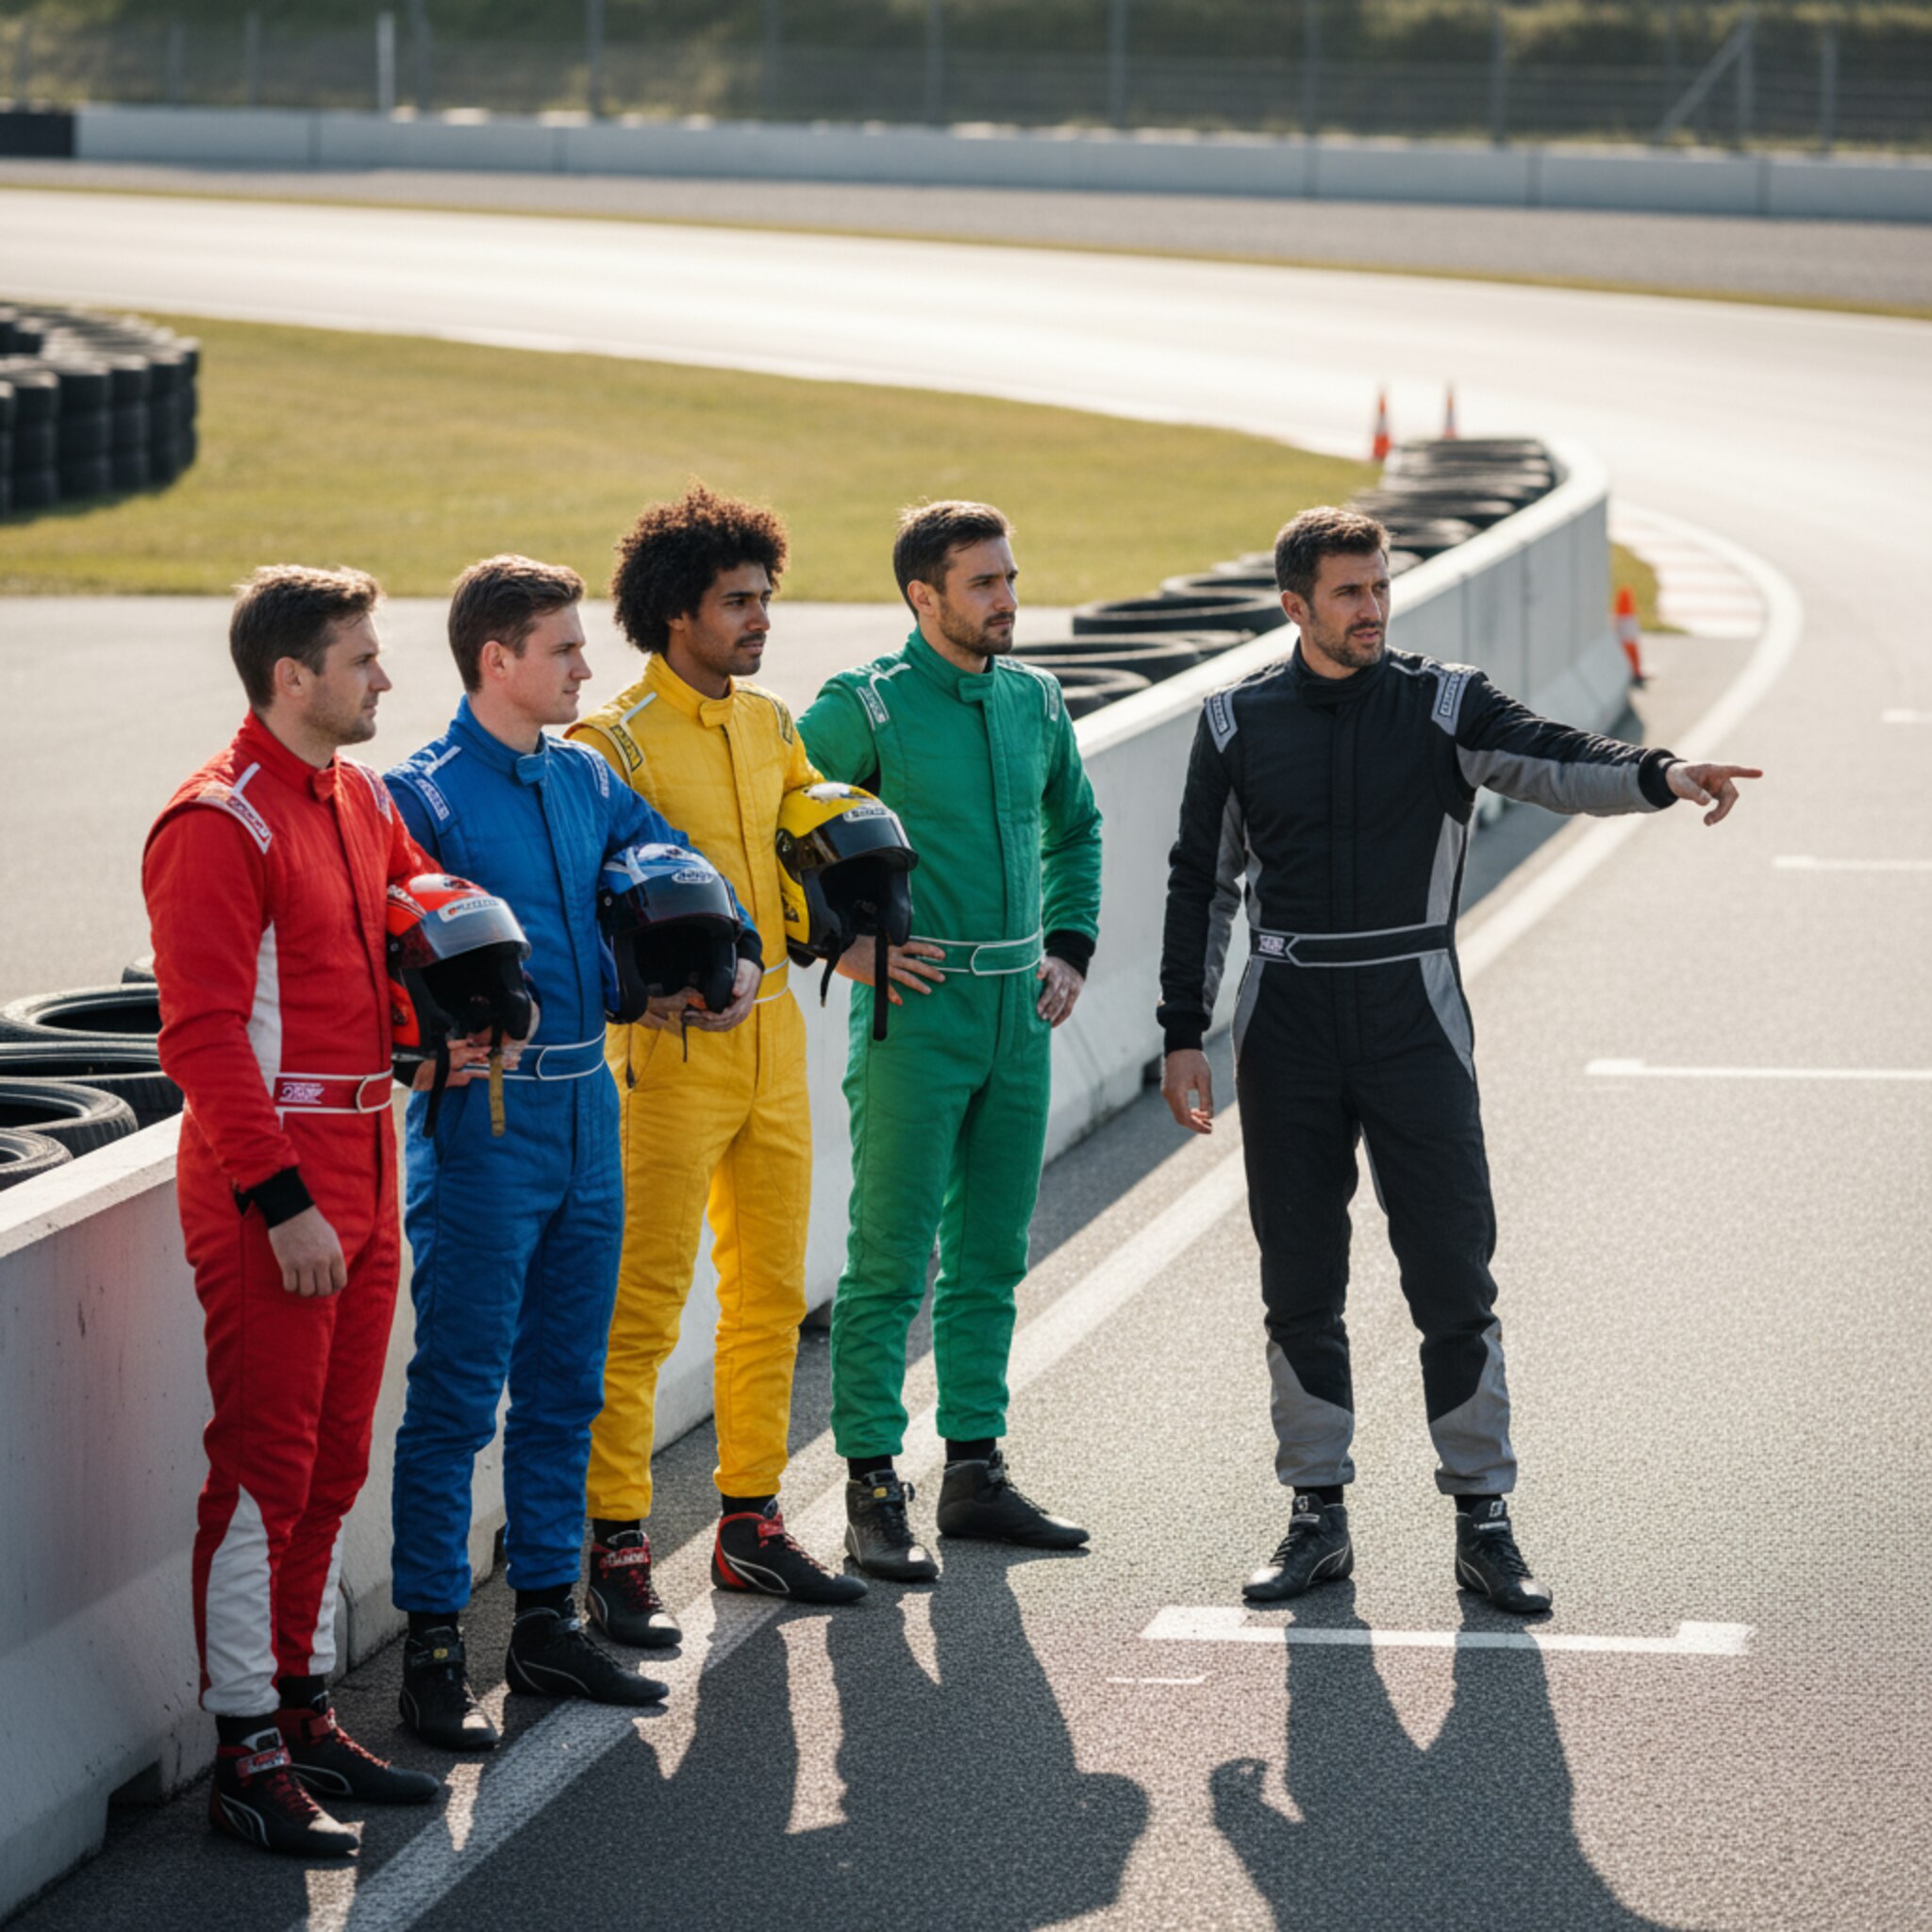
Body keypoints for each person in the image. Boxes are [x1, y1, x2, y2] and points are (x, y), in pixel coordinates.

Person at [1158, 506, 1762, 1613]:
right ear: (1293, 606)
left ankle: (1482, 1516)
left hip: (1411, 1014)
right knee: (1299, 1278)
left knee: (1449, 1270)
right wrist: (1181, 1032)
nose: (1371, 609)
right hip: (1285, 1020)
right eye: (1346, 593)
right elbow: (1201, 880)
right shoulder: (1235, 721)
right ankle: (1314, 1514)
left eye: (1379, 587)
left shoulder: (1442, 702)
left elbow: (1559, 756)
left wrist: (1660, 772)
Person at [384, 556, 750, 1748]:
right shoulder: (420, 795)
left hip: (594, 1104)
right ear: (496, 659)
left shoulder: (586, 775)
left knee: (566, 1384)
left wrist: (730, 958)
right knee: (455, 1396)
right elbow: (377, 958)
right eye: (562, 649)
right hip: (483, 1125)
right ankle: (436, 1646)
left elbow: (689, 872)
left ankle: (545, 1621)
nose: (586, 667)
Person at [144, 565, 444, 1857]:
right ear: (293, 678)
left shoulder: (357, 793)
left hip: (369, 1158)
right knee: (264, 1472)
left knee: (332, 1464)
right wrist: (280, 1206)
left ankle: (305, 1709)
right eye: (363, 659)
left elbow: (417, 909)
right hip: (277, 1192)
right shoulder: (217, 821)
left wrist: (463, 1006)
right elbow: (201, 1039)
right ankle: (242, 1753)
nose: (384, 678)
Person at [570, 484, 865, 1626]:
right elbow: (587, 907)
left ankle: (749, 1523)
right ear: (672, 612)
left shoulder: (771, 725)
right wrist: (642, 998)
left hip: (776, 1040)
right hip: (662, 1058)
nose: (759, 620)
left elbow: (813, 858)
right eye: (735, 602)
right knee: (641, 1305)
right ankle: (618, 1547)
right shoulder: (611, 745)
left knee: (771, 1296)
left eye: (763, 598)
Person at [798, 500, 1104, 1582]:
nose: (1007, 599)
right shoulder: (863, 708)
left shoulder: (1034, 697)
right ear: (922, 596)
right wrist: (833, 948)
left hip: (1018, 1013)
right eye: (982, 583)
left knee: (991, 1258)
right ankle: (873, 1485)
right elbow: (772, 822)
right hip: (913, 1019)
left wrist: (1068, 943)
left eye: (1010, 578)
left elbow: (1077, 823)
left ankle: (973, 1467)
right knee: (887, 1264)